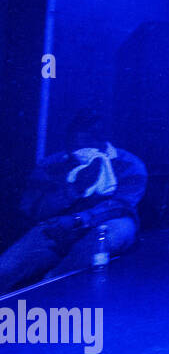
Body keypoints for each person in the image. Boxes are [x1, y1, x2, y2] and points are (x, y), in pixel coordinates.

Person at [0, 110, 146, 295]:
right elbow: (34, 209)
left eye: (88, 145)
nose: (81, 153)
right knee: (5, 268)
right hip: (58, 228)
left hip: (106, 226)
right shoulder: (50, 165)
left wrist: (78, 219)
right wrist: (74, 189)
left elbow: (121, 207)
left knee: (113, 233)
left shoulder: (130, 164)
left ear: (102, 142)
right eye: (74, 146)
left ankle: (51, 286)